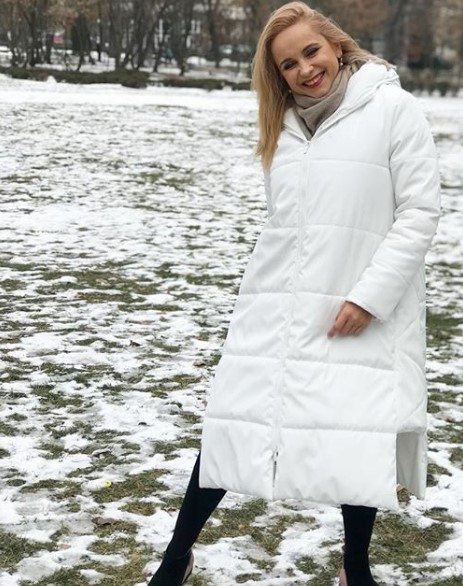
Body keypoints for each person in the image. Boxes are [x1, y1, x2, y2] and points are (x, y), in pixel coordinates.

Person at [147, 2, 440, 585]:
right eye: (288, 64)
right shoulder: (280, 128)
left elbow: (420, 212)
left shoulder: (393, 109)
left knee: (353, 434)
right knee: (233, 428)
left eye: (311, 52)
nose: (305, 69)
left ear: (336, 46)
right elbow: (285, 224)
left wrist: (369, 298)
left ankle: (355, 568)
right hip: (275, 308)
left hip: (354, 309)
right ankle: (175, 558)